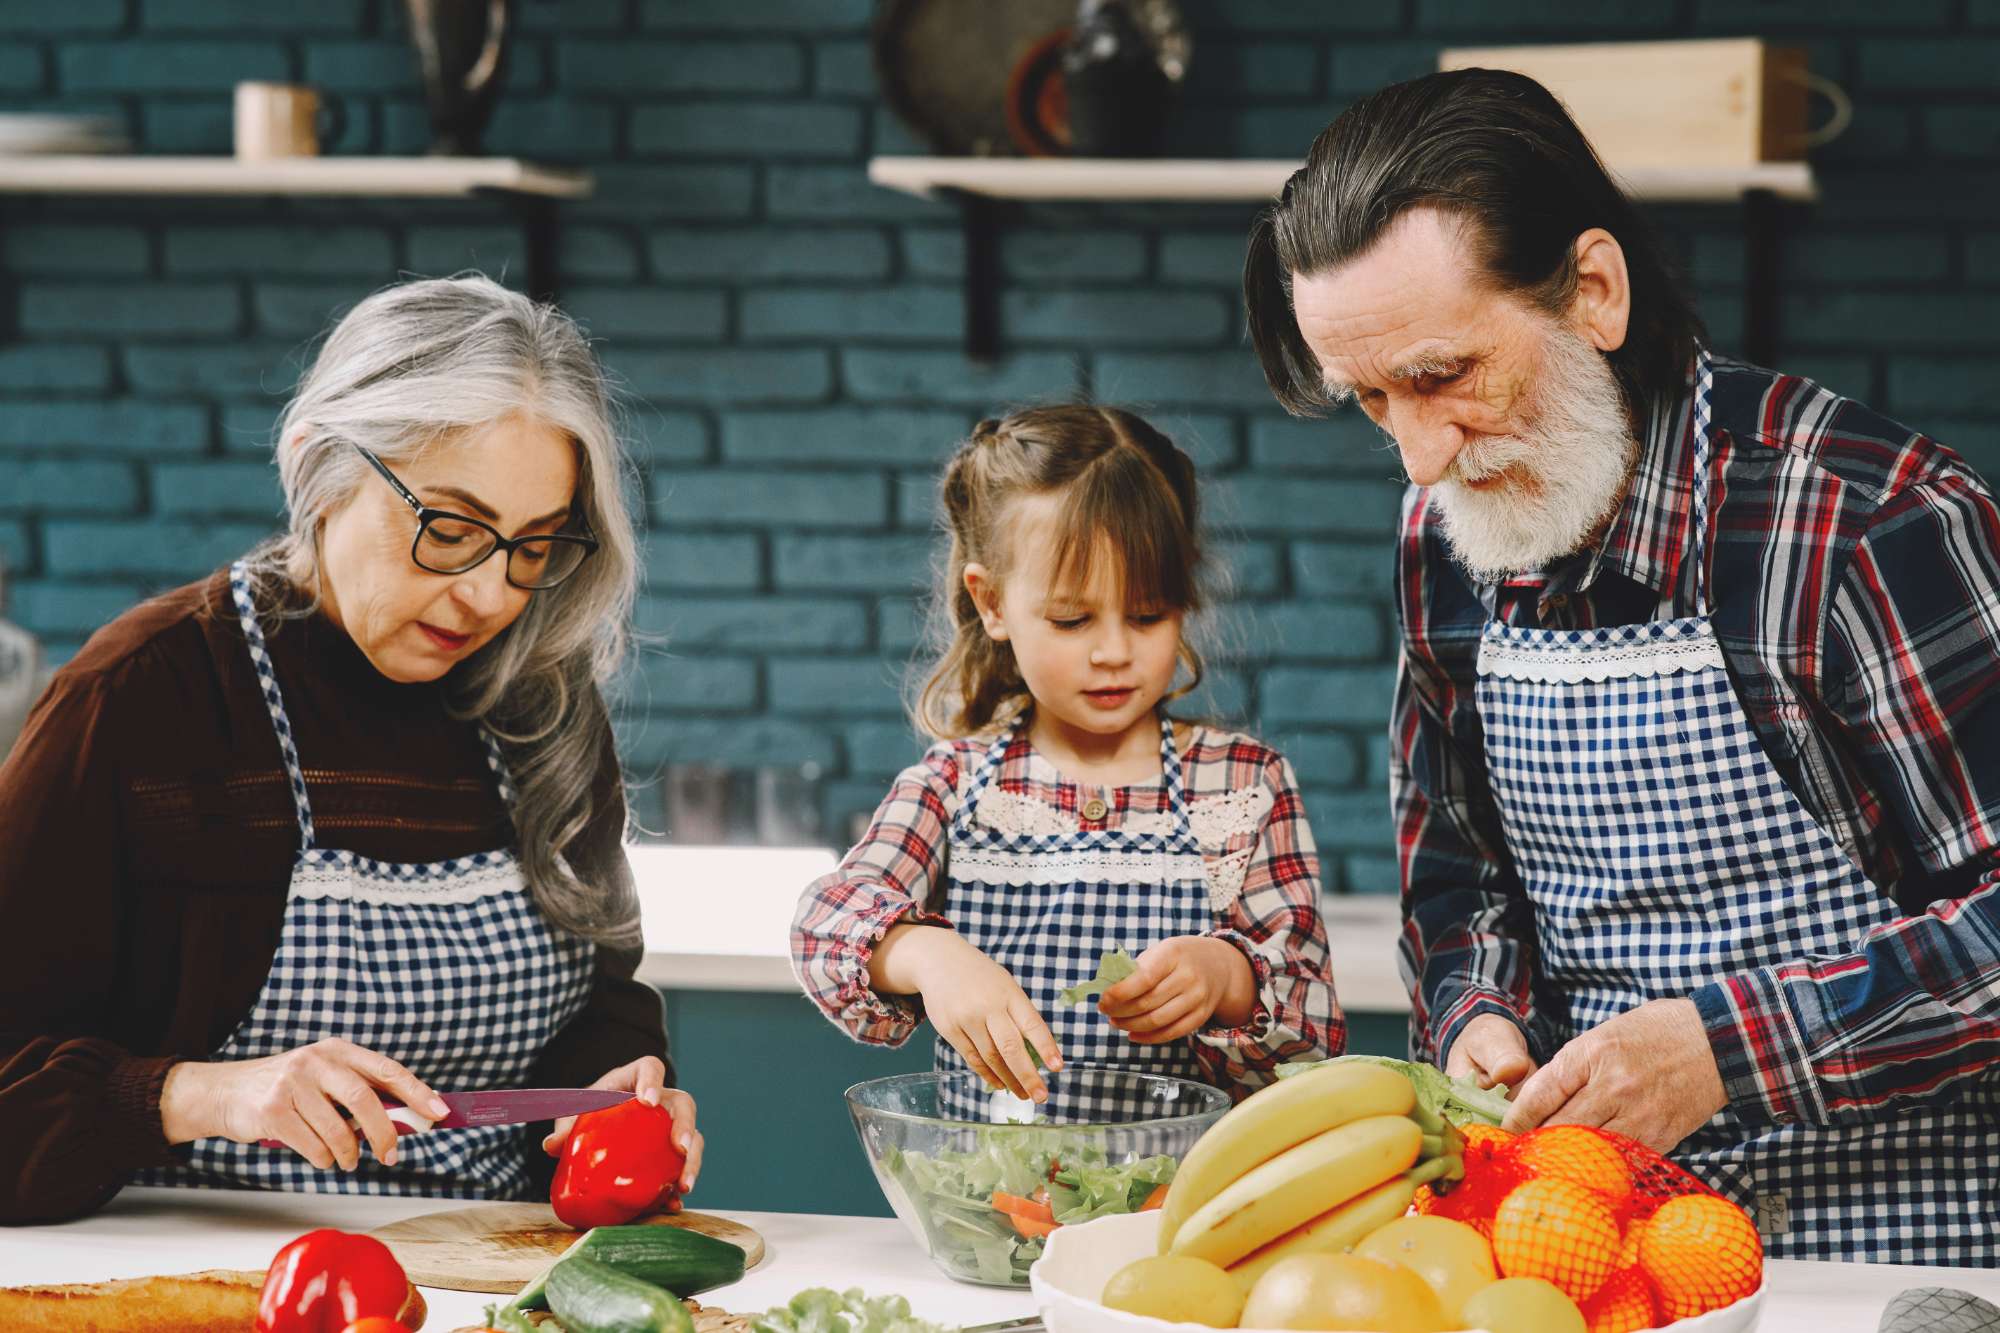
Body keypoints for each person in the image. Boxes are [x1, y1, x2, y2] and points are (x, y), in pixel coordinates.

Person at [1244, 67, 2000, 1263]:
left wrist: (1724, 1049)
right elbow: (1455, 871)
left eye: (1443, 376)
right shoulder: (1445, 526)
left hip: (1896, 1248)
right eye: (1370, 400)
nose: (1418, 455)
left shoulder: (1865, 524)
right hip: (1584, 1246)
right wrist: (1473, 1011)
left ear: (1592, 290)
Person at [0, 275, 702, 1223]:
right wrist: (203, 1094)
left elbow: (599, 1003)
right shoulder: (140, 700)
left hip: (492, 1274)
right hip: (196, 1284)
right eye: (448, 529)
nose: (491, 596)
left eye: (533, 545)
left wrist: (616, 1094)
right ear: (319, 464)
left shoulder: (542, 702)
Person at [793, 406, 1342, 1113]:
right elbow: (824, 924)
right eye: (1072, 619)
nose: (1114, 650)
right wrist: (927, 956)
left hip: (1178, 1215)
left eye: (1147, 615)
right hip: (992, 1210)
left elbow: (1316, 1029)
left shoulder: (1240, 784)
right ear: (991, 602)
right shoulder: (954, 786)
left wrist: (1226, 974)